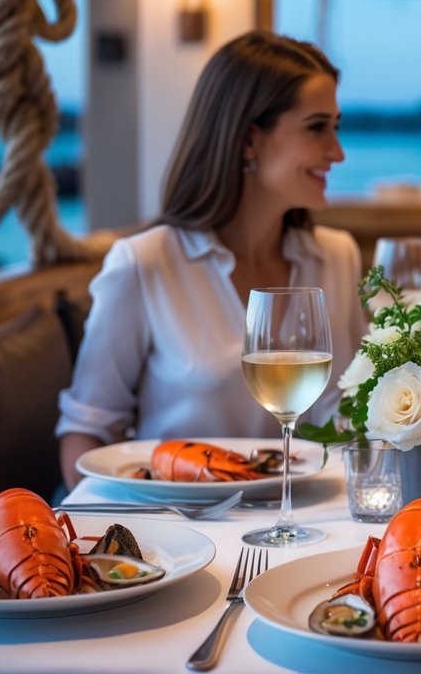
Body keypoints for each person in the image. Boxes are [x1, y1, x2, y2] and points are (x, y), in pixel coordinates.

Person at [56, 32, 366, 488]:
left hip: (315, 524)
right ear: (247, 141)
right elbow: (86, 433)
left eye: (336, 127)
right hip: (181, 528)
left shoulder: (338, 257)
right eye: (317, 127)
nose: (337, 152)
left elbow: (359, 413)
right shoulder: (144, 264)